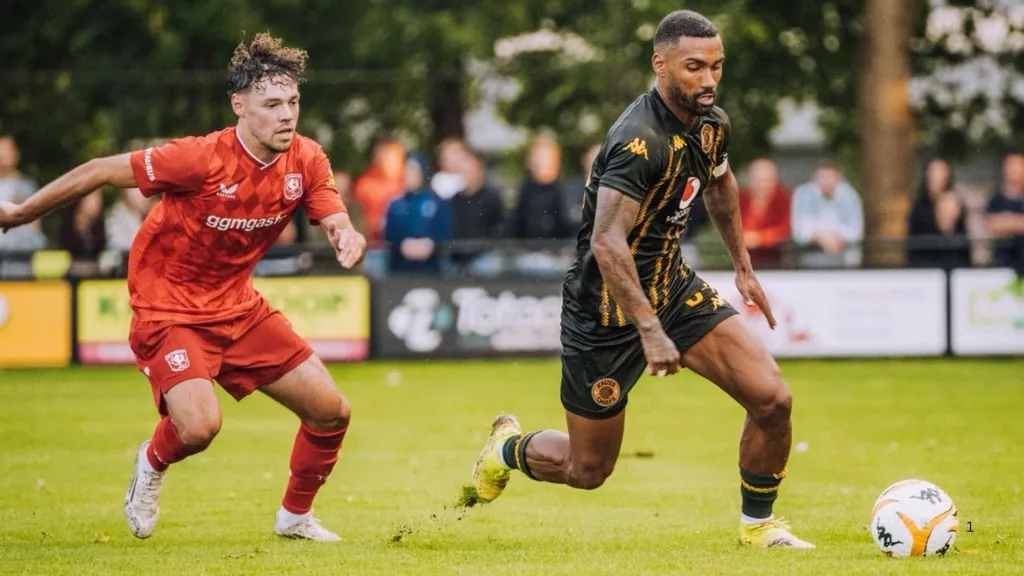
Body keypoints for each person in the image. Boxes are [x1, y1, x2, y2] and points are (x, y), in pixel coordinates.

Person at [0, 33, 366, 542]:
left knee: (332, 412)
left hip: (239, 310)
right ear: (239, 106)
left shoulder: (306, 160)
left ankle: (294, 517)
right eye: (272, 104)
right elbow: (101, 171)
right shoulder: (199, 159)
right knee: (198, 428)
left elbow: (332, 212)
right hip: (167, 310)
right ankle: (150, 463)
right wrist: (20, 214)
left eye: (293, 102)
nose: (287, 115)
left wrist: (345, 234)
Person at [469, 10, 814, 549]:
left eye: (717, 67)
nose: (708, 80)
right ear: (661, 63)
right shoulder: (638, 140)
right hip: (603, 312)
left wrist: (743, 267)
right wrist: (650, 331)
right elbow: (607, 242)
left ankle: (758, 526)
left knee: (773, 400)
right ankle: (508, 448)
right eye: (695, 67)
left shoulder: (712, 124)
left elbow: (720, 187)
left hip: (673, 289)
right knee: (588, 469)